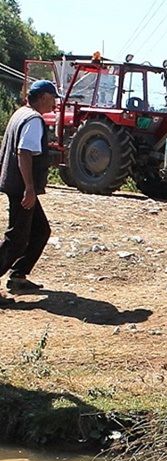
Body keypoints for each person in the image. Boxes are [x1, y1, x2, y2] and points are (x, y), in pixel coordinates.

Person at [0, 79, 59, 304]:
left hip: (16, 184)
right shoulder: (34, 120)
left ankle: (18, 276)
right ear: (43, 97)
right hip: (21, 187)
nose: (54, 103)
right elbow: (23, 152)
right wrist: (30, 189)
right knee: (16, 239)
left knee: (41, 231)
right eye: (52, 98)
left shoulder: (21, 113)